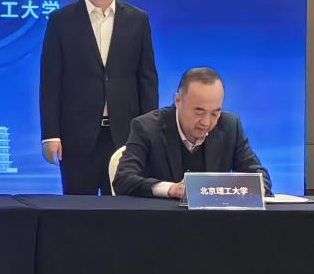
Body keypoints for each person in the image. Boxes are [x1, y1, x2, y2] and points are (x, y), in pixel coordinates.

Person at [40, 0, 159, 194]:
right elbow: (50, 83)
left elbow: (147, 81)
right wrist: (51, 135)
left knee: (123, 209)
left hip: (125, 136)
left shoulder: (138, 20)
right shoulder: (61, 21)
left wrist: (150, 135)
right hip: (76, 136)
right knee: (77, 209)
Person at [114, 66, 272, 198]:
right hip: (162, 221)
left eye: (215, 113)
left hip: (215, 222)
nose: (206, 122)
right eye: (199, 111)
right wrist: (171, 189)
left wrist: (255, 188)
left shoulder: (230, 126)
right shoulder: (147, 127)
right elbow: (124, 178)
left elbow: (259, 176)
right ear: (178, 101)